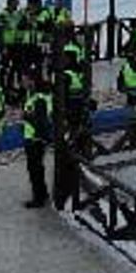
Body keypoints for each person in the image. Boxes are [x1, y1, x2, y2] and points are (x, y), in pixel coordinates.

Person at [53, 42, 91, 210]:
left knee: (71, 142)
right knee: (80, 138)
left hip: (70, 113)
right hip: (81, 110)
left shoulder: (66, 75)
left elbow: (61, 96)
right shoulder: (81, 73)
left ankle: (72, 172)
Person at [21, 74, 54, 208]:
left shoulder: (39, 99)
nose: (22, 83)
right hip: (34, 138)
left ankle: (38, 198)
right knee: (37, 167)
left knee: (34, 169)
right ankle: (42, 193)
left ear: (32, 81)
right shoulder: (34, 95)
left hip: (35, 139)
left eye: (25, 80)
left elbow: (40, 122)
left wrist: (27, 117)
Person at [0, 0, 22, 89]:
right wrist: (2, 46)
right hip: (6, 45)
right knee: (5, 66)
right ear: (11, 3)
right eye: (16, 3)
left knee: (15, 66)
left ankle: (11, 84)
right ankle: (3, 86)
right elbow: (0, 32)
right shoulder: (3, 15)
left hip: (16, 45)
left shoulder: (17, 15)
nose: (17, 5)